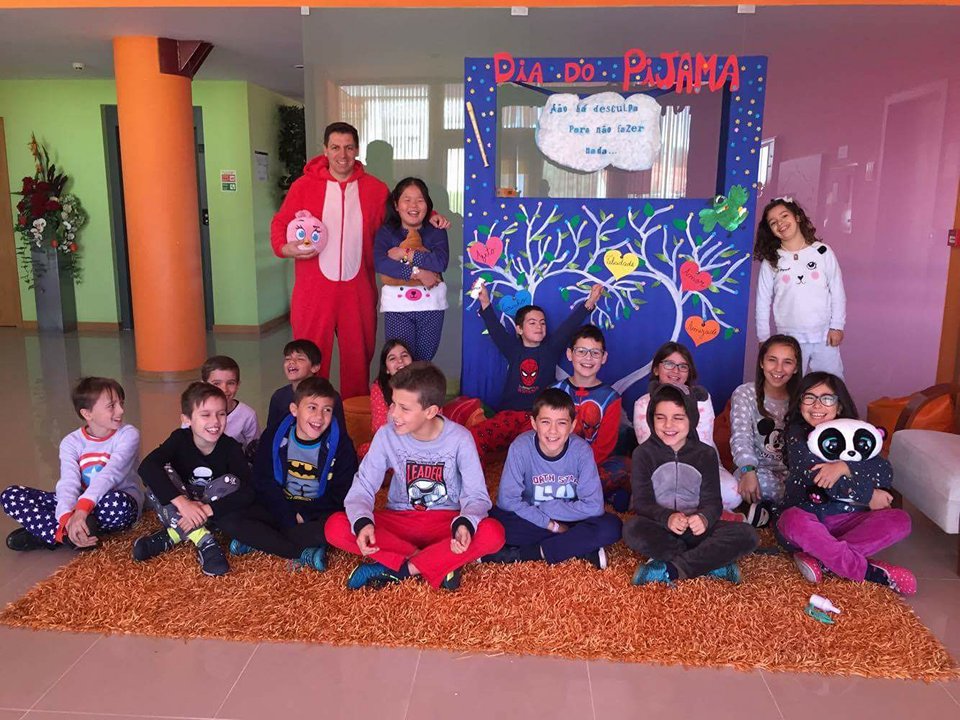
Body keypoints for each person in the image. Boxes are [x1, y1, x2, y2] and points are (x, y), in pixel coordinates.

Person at [270, 122, 447, 399]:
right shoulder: (303, 186)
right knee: (309, 356)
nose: (342, 155)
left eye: (349, 147)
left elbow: (401, 210)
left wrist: (432, 215)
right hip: (313, 289)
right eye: (336, 147)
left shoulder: (374, 189)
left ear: (357, 150)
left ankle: (356, 415)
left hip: (358, 288)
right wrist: (285, 247)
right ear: (325, 150)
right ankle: (311, 413)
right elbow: (280, 222)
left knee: (358, 358)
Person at [324, 362, 505, 590]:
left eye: (404, 408)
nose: (394, 414)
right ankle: (438, 561)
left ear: (430, 411)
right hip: (400, 520)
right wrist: (363, 521)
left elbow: (476, 496)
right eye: (393, 404)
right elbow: (364, 486)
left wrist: (465, 523)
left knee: (493, 533)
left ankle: (400, 570)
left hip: (446, 523)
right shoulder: (386, 435)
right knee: (335, 526)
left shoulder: (460, 439)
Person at [777, 372, 915, 594]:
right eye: (809, 397)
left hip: (850, 520)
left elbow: (883, 471)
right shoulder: (797, 434)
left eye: (827, 398)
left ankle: (823, 559)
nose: (817, 405)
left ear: (839, 405)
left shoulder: (856, 431)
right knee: (791, 519)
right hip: (808, 519)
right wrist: (868, 495)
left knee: (900, 520)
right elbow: (817, 477)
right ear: (800, 403)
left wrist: (845, 466)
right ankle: (870, 572)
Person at [625, 383, 759, 585]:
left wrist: (703, 518)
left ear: (691, 419)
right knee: (632, 529)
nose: (668, 425)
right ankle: (710, 564)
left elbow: (713, 503)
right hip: (661, 526)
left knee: (747, 535)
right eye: (660, 418)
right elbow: (642, 503)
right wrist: (667, 517)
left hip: (697, 530)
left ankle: (672, 568)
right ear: (652, 419)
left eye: (678, 418)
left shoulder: (705, 454)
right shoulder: (643, 454)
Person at [224, 377, 357, 571]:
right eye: (312, 407)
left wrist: (304, 515)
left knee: (342, 526)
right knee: (230, 519)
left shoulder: (341, 444)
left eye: (327, 410)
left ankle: (262, 541)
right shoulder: (274, 435)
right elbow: (263, 480)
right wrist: (287, 515)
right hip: (279, 506)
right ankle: (300, 550)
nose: (319, 417)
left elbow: (343, 491)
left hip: (317, 512)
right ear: (295, 410)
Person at [484, 388, 622, 569]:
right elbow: (507, 501)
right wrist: (551, 525)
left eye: (561, 423)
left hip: (572, 518)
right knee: (494, 522)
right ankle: (579, 547)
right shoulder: (520, 447)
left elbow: (594, 507)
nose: (553, 431)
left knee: (611, 526)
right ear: (534, 423)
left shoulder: (581, 451)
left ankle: (529, 553)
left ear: (572, 426)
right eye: (545, 422)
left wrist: (551, 509)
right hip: (533, 518)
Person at [2, 377, 142, 551]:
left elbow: (111, 474)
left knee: (116, 505)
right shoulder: (71, 442)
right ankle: (68, 535)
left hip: (111, 503)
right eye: (111, 406)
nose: (121, 410)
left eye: (121, 403)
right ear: (87, 414)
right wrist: (67, 517)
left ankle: (49, 534)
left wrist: (82, 511)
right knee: (11, 496)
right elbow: (69, 482)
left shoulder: (128, 434)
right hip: (79, 505)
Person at [470, 283, 603, 459]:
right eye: (532, 323)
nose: (539, 327)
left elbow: (569, 326)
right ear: (519, 329)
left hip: (537, 418)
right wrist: (485, 301)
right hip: (508, 415)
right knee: (472, 438)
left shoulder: (550, 349)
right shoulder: (513, 349)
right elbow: (495, 329)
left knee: (531, 449)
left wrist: (590, 302)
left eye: (542, 323)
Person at [133, 382, 253, 576]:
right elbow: (147, 466)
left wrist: (205, 510)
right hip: (180, 506)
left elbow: (249, 491)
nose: (215, 421)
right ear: (187, 419)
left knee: (232, 481)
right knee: (158, 474)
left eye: (221, 414)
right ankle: (204, 539)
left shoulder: (231, 447)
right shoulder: (179, 439)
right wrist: (184, 504)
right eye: (205, 415)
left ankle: (173, 535)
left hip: (211, 511)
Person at [633, 342, 741, 511]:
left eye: (683, 366)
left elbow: (703, 446)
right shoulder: (643, 404)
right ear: (656, 369)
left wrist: (688, 477)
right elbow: (649, 449)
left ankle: (706, 513)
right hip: (661, 468)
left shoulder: (701, 400)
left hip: (699, 466)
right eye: (669, 364)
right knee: (652, 495)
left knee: (732, 494)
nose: (675, 371)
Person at [754, 197, 846, 376]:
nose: (780, 224)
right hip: (789, 339)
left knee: (830, 383)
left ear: (797, 217)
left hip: (824, 336)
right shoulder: (772, 260)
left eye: (784, 216)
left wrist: (837, 326)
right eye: (773, 223)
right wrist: (763, 337)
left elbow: (837, 291)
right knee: (792, 386)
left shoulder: (822, 252)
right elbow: (762, 301)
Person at [551, 325, 629, 509]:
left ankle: (570, 494)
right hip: (555, 464)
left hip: (592, 465)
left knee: (623, 467)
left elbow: (604, 447)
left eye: (595, 353)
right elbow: (543, 436)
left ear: (604, 357)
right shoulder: (554, 392)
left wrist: (577, 470)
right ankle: (593, 495)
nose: (588, 358)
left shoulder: (611, 398)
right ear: (570, 354)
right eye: (581, 351)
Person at [374, 178, 449, 361]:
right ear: (396, 205)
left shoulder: (436, 230)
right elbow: (381, 263)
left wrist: (405, 253)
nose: (413, 206)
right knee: (400, 360)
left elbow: (440, 263)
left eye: (420, 200)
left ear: (427, 205)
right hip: (398, 306)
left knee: (423, 361)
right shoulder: (386, 232)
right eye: (407, 200)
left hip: (431, 306)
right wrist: (419, 273)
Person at [730, 335, 802, 506]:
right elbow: (741, 437)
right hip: (755, 470)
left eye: (787, 362)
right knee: (757, 485)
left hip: (793, 473)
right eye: (772, 360)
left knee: (810, 488)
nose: (778, 369)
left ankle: (778, 507)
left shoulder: (802, 398)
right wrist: (748, 470)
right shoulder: (745, 394)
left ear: (796, 368)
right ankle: (787, 506)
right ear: (762, 362)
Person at [265, 339, 345, 433]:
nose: (291, 362)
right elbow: (271, 432)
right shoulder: (279, 396)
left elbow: (340, 434)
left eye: (300, 359)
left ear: (315, 367)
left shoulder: (331, 397)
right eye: (288, 359)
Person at [185, 356, 259, 453]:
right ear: (203, 384)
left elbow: (255, 449)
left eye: (230, 383)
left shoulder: (248, 415)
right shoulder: (193, 412)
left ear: (238, 385)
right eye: (216, 383)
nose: (224, 389)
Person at [358, 339, 413, 459]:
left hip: (420, 441)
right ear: (387, 369)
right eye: (392, 358)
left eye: (404, 355)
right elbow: (379, 427)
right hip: (391, 441)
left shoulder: (426, 384)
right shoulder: (379, 387)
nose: (400, 361)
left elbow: (433, 420)